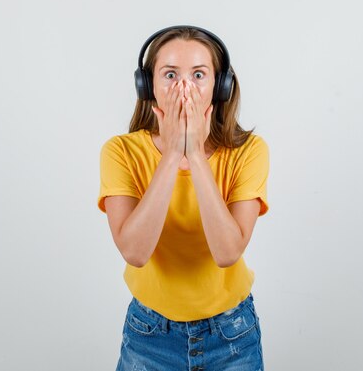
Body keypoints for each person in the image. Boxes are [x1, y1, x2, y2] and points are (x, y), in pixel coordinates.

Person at [97, 25, 270, 371]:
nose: (184, 87)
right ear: (147, 86)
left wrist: (195, 151)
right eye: (170, 74)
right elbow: (134, 251)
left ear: (220, 88)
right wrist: (173, 152)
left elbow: (227, 252)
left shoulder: (249, 151)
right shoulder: (120, 152)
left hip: (232, 336)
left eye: (199, 75)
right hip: (149, 335)